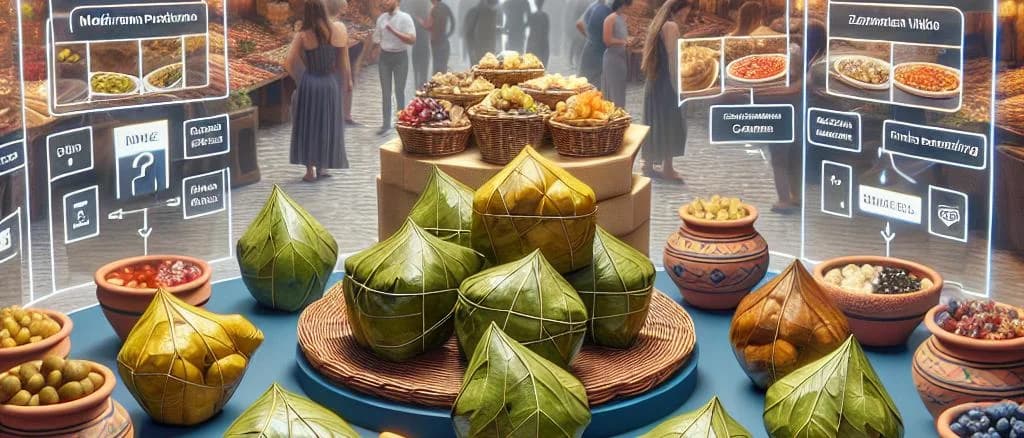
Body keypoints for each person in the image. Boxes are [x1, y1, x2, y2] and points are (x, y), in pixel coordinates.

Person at [285, 0, 351, 181]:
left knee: (308, 124)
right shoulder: (338, 30)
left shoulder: (303, 35)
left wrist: (301, 78)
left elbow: (289, 62)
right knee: (326, 123)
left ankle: (309, 172)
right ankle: (322, 167)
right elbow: (343, 61)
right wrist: (347, 81)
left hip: (311, 82)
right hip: (329, 83)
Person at [640, 0, 693, 181]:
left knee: (654, 121)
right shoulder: (671, 26)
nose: (686, 16)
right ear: (678, 10)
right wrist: (679, 85)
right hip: (666, 82)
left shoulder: (658, 24)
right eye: (686, 12)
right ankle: (668, 169)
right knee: (671, 121)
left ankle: (647, 164)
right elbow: (672, 58)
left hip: (655, 80)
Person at [373, 0, 416, 136]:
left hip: (400, 57)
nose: (384, 2)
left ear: (397, 1)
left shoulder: (405, 18)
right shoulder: (381, 18)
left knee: (399, 90)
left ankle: (401, 122)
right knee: (386, 92)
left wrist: (392, 30)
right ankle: (386, 124)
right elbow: (376, 38)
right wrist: (374, 47)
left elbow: (412, 39)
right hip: (385, 58)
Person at [601, 0, 631, 108]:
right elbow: (607, 40)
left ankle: (620, 112)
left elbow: (623, 36)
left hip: (621, 57)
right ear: (621, 5)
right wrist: (623, 42)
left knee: (620, 88)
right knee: (613, 89)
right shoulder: (610, 19)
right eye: (627, 6)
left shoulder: (623, 18)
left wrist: (630, 41)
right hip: (612, 59)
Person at [577, 0, 611, 84]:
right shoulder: (606, 9)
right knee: (596, 87)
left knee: (584, 83)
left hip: (589, 49)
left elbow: (579, 24)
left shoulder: (593, 6)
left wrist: (590, 37)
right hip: (600, 53)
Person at [425, 0, 456, 74]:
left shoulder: (434, 9)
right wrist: (448, 34)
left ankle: (437, 82)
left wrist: (421, 23)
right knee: (443, 65)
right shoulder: (445, 7)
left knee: (436, 65)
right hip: (444, 39)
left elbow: (429, 26)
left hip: (436, 41)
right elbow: (453, 22)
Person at [408, 0, 432, 87]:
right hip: (421, 38)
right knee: (422, 63)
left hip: (419, 38)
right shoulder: (426, 5)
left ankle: (418, 83)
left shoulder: (415, 7)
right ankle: (421, 82)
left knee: (418, 62)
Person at [526, 0, 550, 65]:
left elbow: (528, 25)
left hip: (533, 41)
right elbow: (547, 30)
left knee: (532, 61)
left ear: (535, 4)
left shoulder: (532, 16)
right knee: (542, 62)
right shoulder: (545, 16)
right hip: (542, 41)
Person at [568, 0, 590, 69]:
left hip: (580, 25)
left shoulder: (581, 3)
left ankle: (573, 61)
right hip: (581, 25)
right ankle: (573, 62)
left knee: (576, 44)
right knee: (577, 44)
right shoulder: (582, 3)